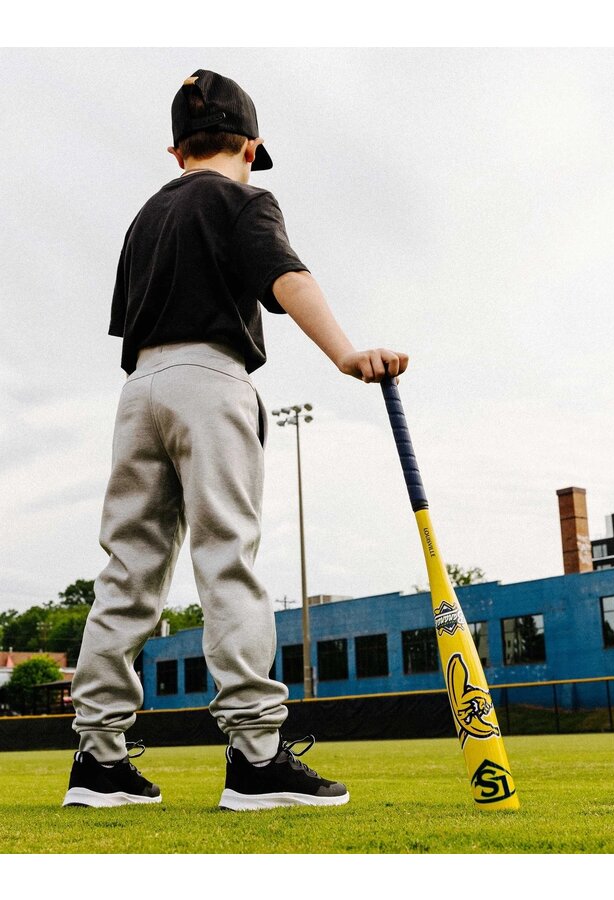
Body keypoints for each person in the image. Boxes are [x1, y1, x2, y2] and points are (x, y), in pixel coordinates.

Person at [62, 69, 408, 810]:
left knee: (127, 571)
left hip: (138, 391)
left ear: (174, 149)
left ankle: (98, 761)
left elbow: (131, 320)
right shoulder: (245, 196)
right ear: (250, 146)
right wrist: (345, 353)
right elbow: (285, 275)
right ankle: (255, 757)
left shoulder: (145, 216)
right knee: (227, 558)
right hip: (211, 378)